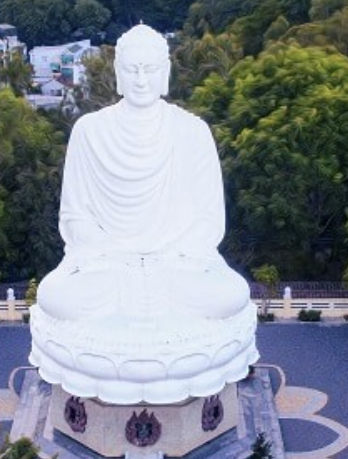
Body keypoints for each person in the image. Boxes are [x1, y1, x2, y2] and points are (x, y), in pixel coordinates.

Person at [35, 24, 251, 322]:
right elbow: (75, 218)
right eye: (131, 70)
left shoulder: (192, 131)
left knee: (229, 294)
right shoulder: (89, 130)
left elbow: (208, 220)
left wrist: (169, 257)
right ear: (117, 73)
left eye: (149, 69)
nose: (140, 80)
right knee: (57, 296)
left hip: (177, 265)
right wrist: (116, 256)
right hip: (108, 265)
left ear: (165, 73)